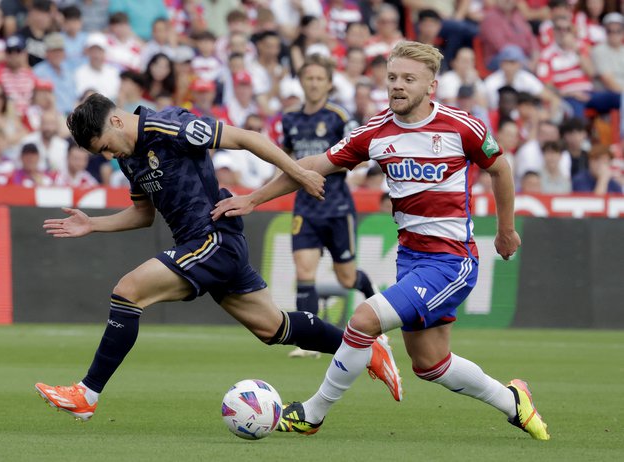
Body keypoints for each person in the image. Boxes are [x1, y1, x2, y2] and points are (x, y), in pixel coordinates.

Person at [212, 40, 550, 441]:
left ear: (431, 86)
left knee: (363, 320)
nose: (398, 86)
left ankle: (312, 413)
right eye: (392, 78)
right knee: (430, 363)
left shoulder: (463, 126)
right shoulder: (375, 132)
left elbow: (501, 169)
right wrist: (252, 198)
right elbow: (309, 167)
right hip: (411, 258)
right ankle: (514, 402)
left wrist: (507, 229)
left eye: (409, 78)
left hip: (451, 261)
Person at [34, 93, 401, 421]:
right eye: (102, 154)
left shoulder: (170, 126)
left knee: (128, 291)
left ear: (115, 121)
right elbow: (143, 216)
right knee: (273, 328)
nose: (110, 156)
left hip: (213, 239)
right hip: (205, 246)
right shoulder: (130, 158)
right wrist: (92, 225)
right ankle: (368, 351)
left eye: (106, 147)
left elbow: (247, 138)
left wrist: (300, 173)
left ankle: (87, 393)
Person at [281, 53, 377, 359]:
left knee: (346, 278)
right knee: (303, 269)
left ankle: (374, 300)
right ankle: (308, 341)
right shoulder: (290, 119)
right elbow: (284, 158)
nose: (313, 83)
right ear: (301, 82)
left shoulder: (338, 116)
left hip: (336, 207)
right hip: (305, 209)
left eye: (319, 78)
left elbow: (361, 157)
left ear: (329, 83)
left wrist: (320, 168)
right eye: (308, 78)